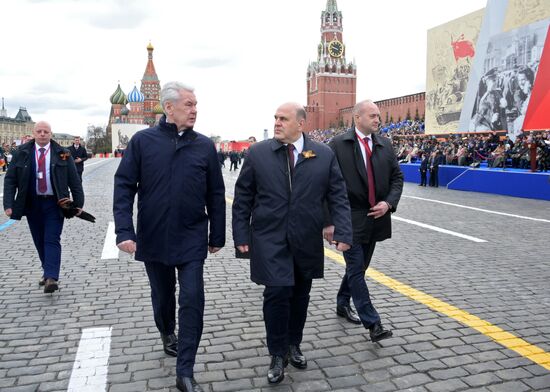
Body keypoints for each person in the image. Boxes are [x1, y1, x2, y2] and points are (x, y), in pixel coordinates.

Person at [113, 81, 225, 392]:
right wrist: (124, 230)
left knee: (192, 300)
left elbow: (216, 193)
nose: (194, 110)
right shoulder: (142, 142)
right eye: (189, 104)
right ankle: (166, 331)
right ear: (170, 107)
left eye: (195, 104)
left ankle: (185, 371)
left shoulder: (204, 145)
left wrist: (217, 234)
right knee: (163, 298)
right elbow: (124, 186)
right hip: (154, 236)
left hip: (191, 237)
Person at [232, 102, 352, 384]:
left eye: (283, 118)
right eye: (275, 118)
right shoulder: (258, 153)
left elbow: (337, 195)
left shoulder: (323, 155)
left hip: (305, 238)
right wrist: (240, 236)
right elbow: (243, 198)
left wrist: (344, 232)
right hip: (269, 238)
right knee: (276, 294)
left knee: (300, 295)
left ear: (301, 123)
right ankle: (276, 353)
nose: (277, 123)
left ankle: (293, 344)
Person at [323, 100, 403, 342]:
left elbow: (397, 177)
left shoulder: (384, 144)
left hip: (376, 217)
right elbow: (324, 183)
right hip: (348, 217)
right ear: (357, 118)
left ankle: (341, 302)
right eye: (372, 116)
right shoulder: (337, 144)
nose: (378, 120)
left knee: (359, 268)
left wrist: (388, 203)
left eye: (379, 116)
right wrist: (328, 221)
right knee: (356, 268)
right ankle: (373, 323)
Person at [3, 121, 84, 293]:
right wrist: (9, 204)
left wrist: (78, 204)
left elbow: (74, 180)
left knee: (51, 238)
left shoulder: (63, 153)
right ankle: (47, 270)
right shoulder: (21, 153)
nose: (42, 134)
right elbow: (10, 180)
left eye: (45, 131)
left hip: (54, 204)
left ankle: (51, 277)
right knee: (39, 240)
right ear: (33, 133)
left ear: (50, 134)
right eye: (39, 131)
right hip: (31, 203)